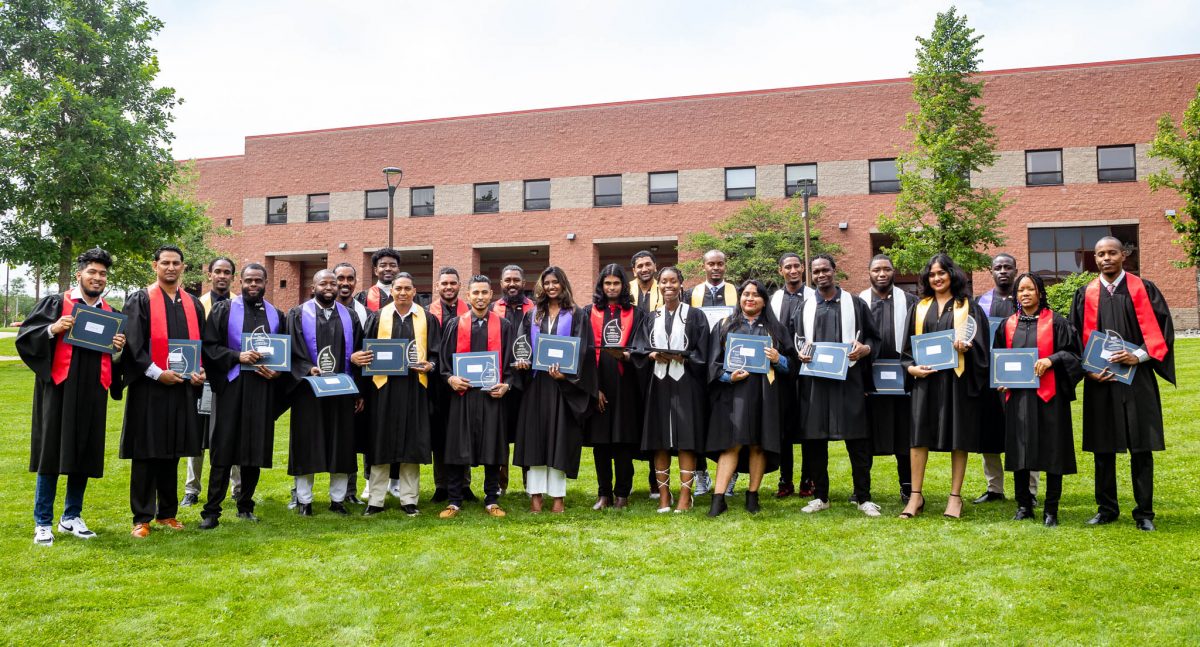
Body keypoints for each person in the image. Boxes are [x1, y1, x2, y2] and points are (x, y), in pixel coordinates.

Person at [18, 248, 125, 545]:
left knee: (84, 452)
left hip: (93, 392)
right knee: (50, 453)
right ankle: (43, 521)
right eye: (92, 272)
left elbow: (119, 364)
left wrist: (118, 350)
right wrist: (53, 328)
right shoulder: (56, 304)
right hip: (59, 389)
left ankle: (71, 517)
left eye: (103, 274)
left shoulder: (112, 316)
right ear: (79, 274)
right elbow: (26, 337)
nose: (98, 277)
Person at [1070, 236, 1175, 531]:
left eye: (1111, 253)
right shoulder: (1085, 294)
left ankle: (1144, 513)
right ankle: (1106, 509)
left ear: (1123, 255)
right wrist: (1086, 369)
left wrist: (1138, 356)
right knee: (1103, 447)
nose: (1106, 258)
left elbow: (1163, 331)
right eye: (1101, 253)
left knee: (1141, 446)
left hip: (1136, 380)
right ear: (1095, 258)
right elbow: (1074, 339)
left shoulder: (1144, 289)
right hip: (1100, 381)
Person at [118, 245, 207, 538]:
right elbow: (134, 344)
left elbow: (200, 345)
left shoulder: (193, 304)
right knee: (146, 452)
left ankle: (167, 513)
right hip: (149, 387)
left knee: (172, 450)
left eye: (176, 263)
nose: (171, 267)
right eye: (165, 262)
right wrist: (158, 373)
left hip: (181, 388)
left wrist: (200, 371)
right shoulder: (140, 300)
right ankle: (141, 516)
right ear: (155, 265)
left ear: (183, 267)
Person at [898, 254, 990, 520]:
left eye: (941, 273)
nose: (937, 278)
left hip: (956, 381)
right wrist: (910, 368)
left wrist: (968, 348)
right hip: (925, 381)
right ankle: (916, 496)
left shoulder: (968, 306)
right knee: (917, 438)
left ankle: (955, 498)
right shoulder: (919, 307)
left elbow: (981, 346)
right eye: (932, 274)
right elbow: (906, 350)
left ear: (952, 274)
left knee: (958, 437)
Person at [198, 263, 286, 529]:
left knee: (254, 448)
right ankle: (212, 510)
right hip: (232, 387)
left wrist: (278, 372)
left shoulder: (276, 315)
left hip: (261, 389)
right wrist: (237, 356)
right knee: (223, 448)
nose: (253, 285)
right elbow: (210, 346)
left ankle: (245, 505)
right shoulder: (223, 310)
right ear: (241, 281)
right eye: (248, 280)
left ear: (265, 282)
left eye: (258, 281)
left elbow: (285, 352)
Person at [792, 255, 881, 516]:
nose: (821, 275)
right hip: (815, 383)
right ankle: (821, 496)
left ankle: (863, 496)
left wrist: (865, 349)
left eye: (825, 270)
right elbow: (796, 340)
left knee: (858, 440)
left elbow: (875, 339)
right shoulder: (805, 307)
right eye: (816, 271)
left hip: (849, 381)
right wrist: (800, 352)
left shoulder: (856, 304)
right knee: (815, 440)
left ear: (834, 271)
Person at [994, 273, 1083, 527]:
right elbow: (998, 358)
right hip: (1019, 399)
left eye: (1030, 289)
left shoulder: (1057, 322)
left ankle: (1051, 510)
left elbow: (1075, 356)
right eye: (1020, 290)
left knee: (1053, 452)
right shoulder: (1008, 324)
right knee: (1020, 452)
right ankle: (1023, 506)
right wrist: (1000, 378)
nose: (1025, 294)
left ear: (1040, 293)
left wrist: (1051, 360)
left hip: (1049, 398)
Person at [512, 266, 597, 513]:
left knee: (560, 440)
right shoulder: (532, 315)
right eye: (547, 282)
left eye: (555, 283)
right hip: (537, 385)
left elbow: (585, 350)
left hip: (563, 388)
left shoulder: (577, 314)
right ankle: (536, 497)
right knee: (536, 441)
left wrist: (566, 374)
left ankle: (558, 497)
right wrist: (523, 361)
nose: (551, 287)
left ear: (563, 285)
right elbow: (522, 345)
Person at [706, 279, 792, 517]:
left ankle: (752, 496)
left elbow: (791, 366)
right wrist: (728, 377)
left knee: (759, 444)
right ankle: (718, 498)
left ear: (764, 301)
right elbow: (712, 364)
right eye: (745, 294)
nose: (749, 298)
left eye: (755, 295)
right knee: (731, 443)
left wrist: (778, 359)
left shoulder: (776, 329)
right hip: (734, 394)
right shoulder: (725, 326)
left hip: (766, 393)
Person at [356, 273, 437, 516]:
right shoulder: (378, 317)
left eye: (407, 289)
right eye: (398, 288)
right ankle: (376, 499)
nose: (402, 292)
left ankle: (409, 499)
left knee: (411, 443)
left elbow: (437, 353)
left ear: (415, 291)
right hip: (383, 390)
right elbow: (365, 351)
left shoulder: (427, 319)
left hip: (415, 389)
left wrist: (431, 365)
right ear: (391, 291)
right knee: (380, 442)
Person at [285, 269, 363, 516]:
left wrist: (358, 391)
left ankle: (337, 500)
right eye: (324, 283)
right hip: (308, 391)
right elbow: (292, 351)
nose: (330, 287)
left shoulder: (350, 316)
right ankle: (304, 500)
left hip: (342, 393)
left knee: (341, 444)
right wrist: (308, 368)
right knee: (307, 445)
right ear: (313, 287)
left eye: (334, 282)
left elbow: (360, 352)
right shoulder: (298, 314)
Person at [438, 275, 517, 518]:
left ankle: (492, 499)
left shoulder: (504, 326)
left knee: (492, 446)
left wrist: (507, 385)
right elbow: (443, 361)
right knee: (457, 447)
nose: (480, 297)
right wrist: (450, 378)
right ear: (468, 296)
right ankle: (454, 500)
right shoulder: (454, 324)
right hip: (463, 397)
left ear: (491, 295)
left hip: (491, 396)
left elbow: (512, 363)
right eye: (476, 293)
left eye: (485, 293)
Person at [634, 266, 710, 513]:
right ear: (659, 285)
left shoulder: (695, 315)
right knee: (660, 440)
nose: (668, 286)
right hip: (658, 383)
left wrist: (685, 358)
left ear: (681, 284)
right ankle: (664, 495)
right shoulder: (651, 317)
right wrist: (651, 353)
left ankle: (685, 497)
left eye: (673, 282)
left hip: (686, 383)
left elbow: (704, 351)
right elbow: (640, 348)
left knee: (686, 439)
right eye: (664, 282)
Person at [973, 253, 1037, 505]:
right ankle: (994, 488)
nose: (1003, 271)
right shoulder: (980, 303)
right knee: (988, 435)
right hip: (989, 380)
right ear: (991, 271)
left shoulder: (1027, 301)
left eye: (1007, 267)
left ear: (1016, 270)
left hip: (1020, 380)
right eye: (997, 267)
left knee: (1025, 434)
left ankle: (1029, 491)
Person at [583, 265, 644, 510]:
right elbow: (584, 352)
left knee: (623, 442)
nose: (611, 288)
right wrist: (593, 388)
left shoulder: (636, 314)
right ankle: (603, 494)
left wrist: (628, 357)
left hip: (626, 385)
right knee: (601, 444)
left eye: (616, 283)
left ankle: (622, 493)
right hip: (598, 384)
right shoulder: (589, 312)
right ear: (601, 285)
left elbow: (642, 346)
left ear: (623, 286)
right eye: (607, 284)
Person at [860, 254, 918, 503]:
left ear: (894, 272)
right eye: (876, 270)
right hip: (867, 378)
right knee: (865, 434)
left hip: (902, 378)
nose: (882, 274)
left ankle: (907, 486)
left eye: (887, 269)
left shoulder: (911, 302)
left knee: (903, 434)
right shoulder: (857, 302)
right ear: (869, 273)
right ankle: (861, 488)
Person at [183, 257, 236, 507]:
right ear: (210, 275)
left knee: (232, 433)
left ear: (232, 277)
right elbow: (191, 340)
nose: (222, 276)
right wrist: (198, 367)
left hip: (231, 378)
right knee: (198, 435)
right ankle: (192, 489)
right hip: (201, 377)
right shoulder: (196, 305)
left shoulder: (240, 305)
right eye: (218, 272)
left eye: (227, 272)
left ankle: (237, 487)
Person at [770, 252, 816, 500]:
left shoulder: (813, 297)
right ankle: (785, 479)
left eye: (797, 266)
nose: (793, 270)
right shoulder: (774, 299)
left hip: (808, 369)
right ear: (781, 271)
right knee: (784, 429)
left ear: (803, 269)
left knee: (808, 427)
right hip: (783, 369)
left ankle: (808, 479)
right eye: (788, 266)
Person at [428, 267, 471, 503]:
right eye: (444, 283)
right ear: (437, 286)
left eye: (452, 283)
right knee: (440, 435)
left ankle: (464, 484)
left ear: (459, 285)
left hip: (464, 381)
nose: (448, 287)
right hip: (437, 384)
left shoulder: (469, 311)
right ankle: (441, 485)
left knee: (463, 434)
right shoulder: (428, 313)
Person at [491, 264, 534, 494]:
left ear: (524, 283)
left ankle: (530, 483)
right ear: (501, 284)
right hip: (502, 379)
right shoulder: (492, 309)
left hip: (528, 381)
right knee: (501, 433)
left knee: (527, 432)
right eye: (507, 280)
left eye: (516, 280)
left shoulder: (536, 309)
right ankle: (500, 483)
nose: (512, 284)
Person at [333, 261, 369, 505]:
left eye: (349, 279)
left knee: (352, 438)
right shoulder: (308, 312)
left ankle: (350, 491)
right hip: (322, 383)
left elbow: (365, 351)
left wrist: (361, 390)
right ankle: (300, 493)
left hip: (353, 384)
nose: (345, 283)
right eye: (340, 279)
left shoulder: (363, 312)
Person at [355, 248, 400, 312]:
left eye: (392, 265)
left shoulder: (410, 296)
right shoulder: (362, 297)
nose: (388, 269)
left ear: (398, 270)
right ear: (376, 271)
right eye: (383, 265)